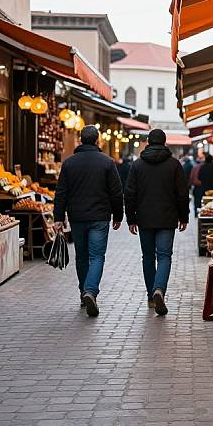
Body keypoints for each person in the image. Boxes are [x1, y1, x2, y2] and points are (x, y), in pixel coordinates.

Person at [53, 125, 123, 317]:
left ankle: (84, 292)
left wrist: (58, 217)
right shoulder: (107, 162)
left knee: (82, 256)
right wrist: (118, 216)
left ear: (80, 140)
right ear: (97, 140)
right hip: (100, 217)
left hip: (77, 217)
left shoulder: (69, 163)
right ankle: (91, 291)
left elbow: (61, 192)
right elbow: (116, 192)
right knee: (97, 256)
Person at [124, 129, 189, 315]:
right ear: (165, 142)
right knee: (164, 256)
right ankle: (159, 288)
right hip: (168, 218)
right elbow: (182, 193)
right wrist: (183, 217)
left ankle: (152, 297)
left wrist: (131, 218)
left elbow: (129, 193)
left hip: (144, 218)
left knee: (148, 257)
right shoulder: (174, 165)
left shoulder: (137, 165)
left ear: (148, 142)